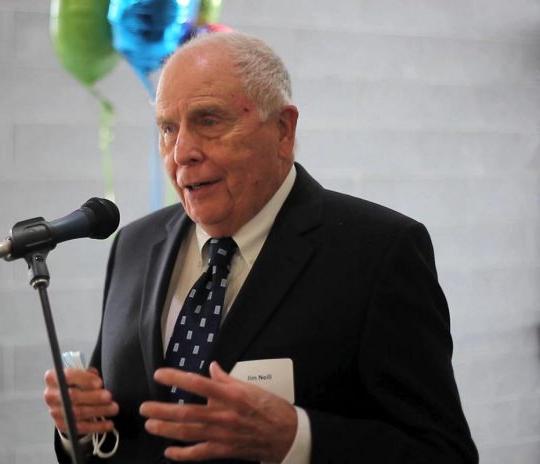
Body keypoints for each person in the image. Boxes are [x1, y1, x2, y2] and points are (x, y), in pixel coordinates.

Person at [43, 31, 478, 464]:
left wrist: (299, 438)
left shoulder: (378, 252)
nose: (182, 153)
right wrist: (77, 432)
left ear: (283, 130)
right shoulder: (134, 246)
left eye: (209, 121)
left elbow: (444, 453)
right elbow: (115, 430)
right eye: (167, 128)